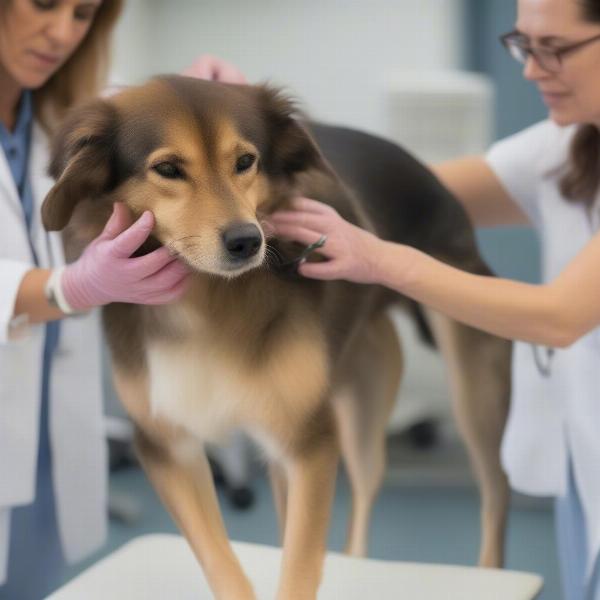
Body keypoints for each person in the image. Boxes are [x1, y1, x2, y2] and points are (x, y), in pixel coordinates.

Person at [268, 1, 600, 598]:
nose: (532, 70)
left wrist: (381, 260)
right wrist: (255, 144)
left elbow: (561, 317)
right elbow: (407, 186)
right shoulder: (566, 145)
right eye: (523, 45)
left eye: (555, 48)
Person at [0, 1, 245, 598]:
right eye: (44, 3)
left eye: (84, 14)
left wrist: (191, 93)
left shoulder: (61, 110)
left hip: (47, 429)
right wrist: (72, 287)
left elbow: (137, 125)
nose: (61, 33)